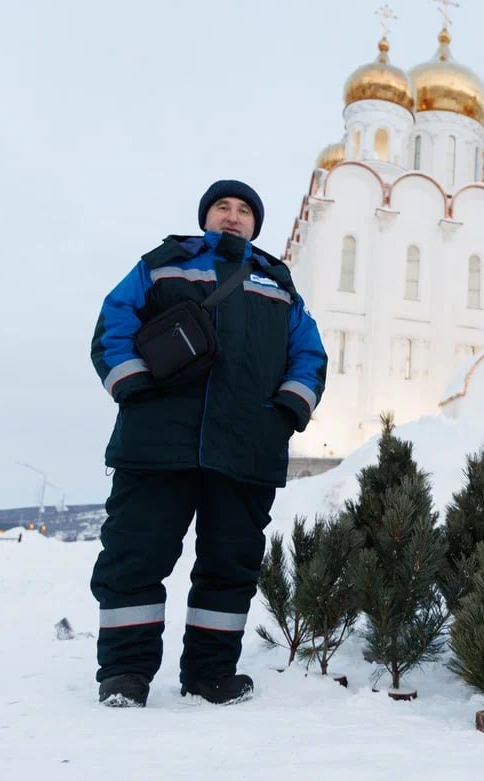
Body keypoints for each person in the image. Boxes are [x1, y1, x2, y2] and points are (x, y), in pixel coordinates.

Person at [88, 179, 327, 707]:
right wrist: (132, 386)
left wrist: (286, 411)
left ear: (255, 225)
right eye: (223, 206)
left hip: (245, 450)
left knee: (229, 565)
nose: (233, 216)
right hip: (156, 447)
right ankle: (125, 674)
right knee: (135, 557)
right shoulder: (161, 264)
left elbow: (308, 355)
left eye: (244, 210)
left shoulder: (276, 283)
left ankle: (211, 673)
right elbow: (113, 323)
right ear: (207, 216)